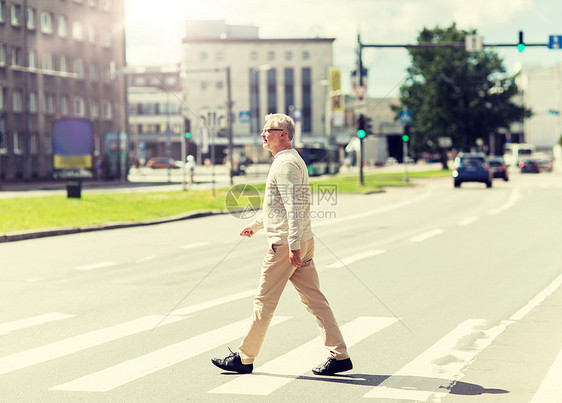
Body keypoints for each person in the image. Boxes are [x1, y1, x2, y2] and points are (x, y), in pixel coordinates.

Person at [211, 113, 352, 376]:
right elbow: (277, 206)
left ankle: (244, 358)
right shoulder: (287, 160)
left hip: (287, 245)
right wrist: (255, 226)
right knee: (316, 301)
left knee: (264, 301)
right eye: (263, 130)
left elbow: (293, 207)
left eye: (268, 130)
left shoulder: (285, 164)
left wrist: (293, 245)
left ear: (283, 134)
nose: (263, 134)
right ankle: (340, 355)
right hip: (300, 241)